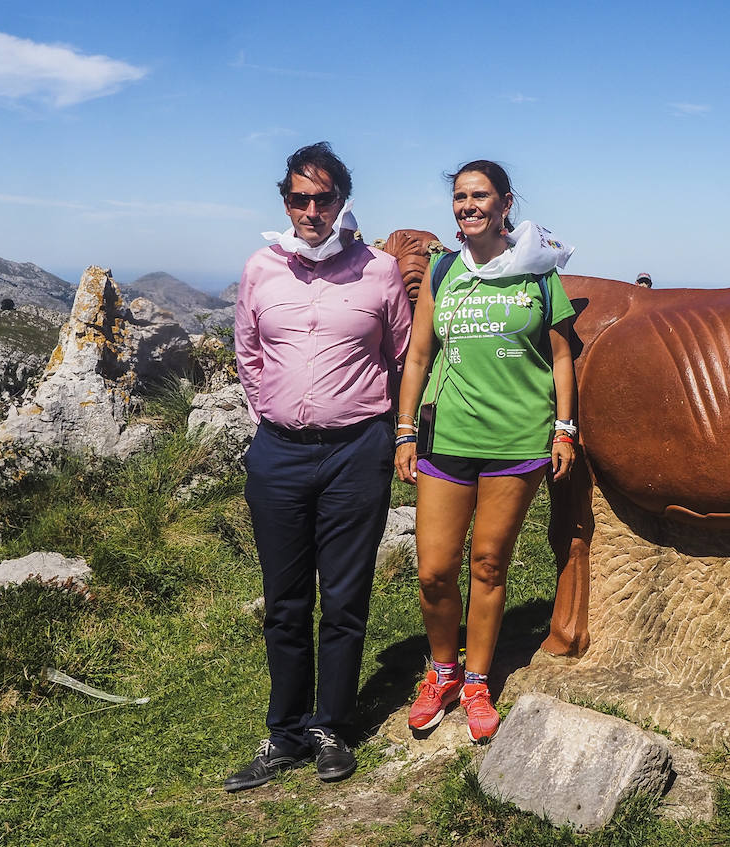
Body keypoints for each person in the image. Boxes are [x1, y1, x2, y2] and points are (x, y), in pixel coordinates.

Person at [227, 142, 412, 791]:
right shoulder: (259, 268)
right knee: (284, 601)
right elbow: (248, 350)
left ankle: (329, 724)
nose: (311, 209)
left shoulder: (379, 272)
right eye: (300, 198)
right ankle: (283, 732)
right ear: (286, 201)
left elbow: (402, 353)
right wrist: (275, 411)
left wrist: (374, 424)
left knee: (345, 599)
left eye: (323, 197)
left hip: (356, 451)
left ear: (342, 202)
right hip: (278, 450)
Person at [394, 160, 578, 743]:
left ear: (504, 204)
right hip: (446, 438)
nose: (467, 206)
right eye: (459, 197)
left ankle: (476, 681)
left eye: (479, 196)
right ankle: (442, 669)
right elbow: (418, 356)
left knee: (489, 565)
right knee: (433, 571)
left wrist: (564, 428)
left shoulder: (537, 272)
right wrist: (404, 431)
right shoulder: (444, 270)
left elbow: (563, 354)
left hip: (517, 439)